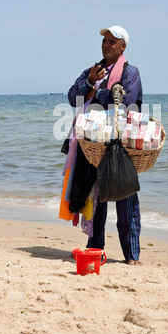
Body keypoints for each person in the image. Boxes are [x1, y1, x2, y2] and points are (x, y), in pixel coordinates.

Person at [63, 25, 143, 265]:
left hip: (121, 144)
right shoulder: (92, 71)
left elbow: (127, 101)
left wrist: (96, 94)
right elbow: (72, 98)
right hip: (93, 143)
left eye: (112, 41)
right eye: (104, 41)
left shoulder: (131, 72)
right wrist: (90, 82)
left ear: (123, 46)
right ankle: (95, 248)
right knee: (95, 196)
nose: (106, 45)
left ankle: (131, 255)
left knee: (126, 195)